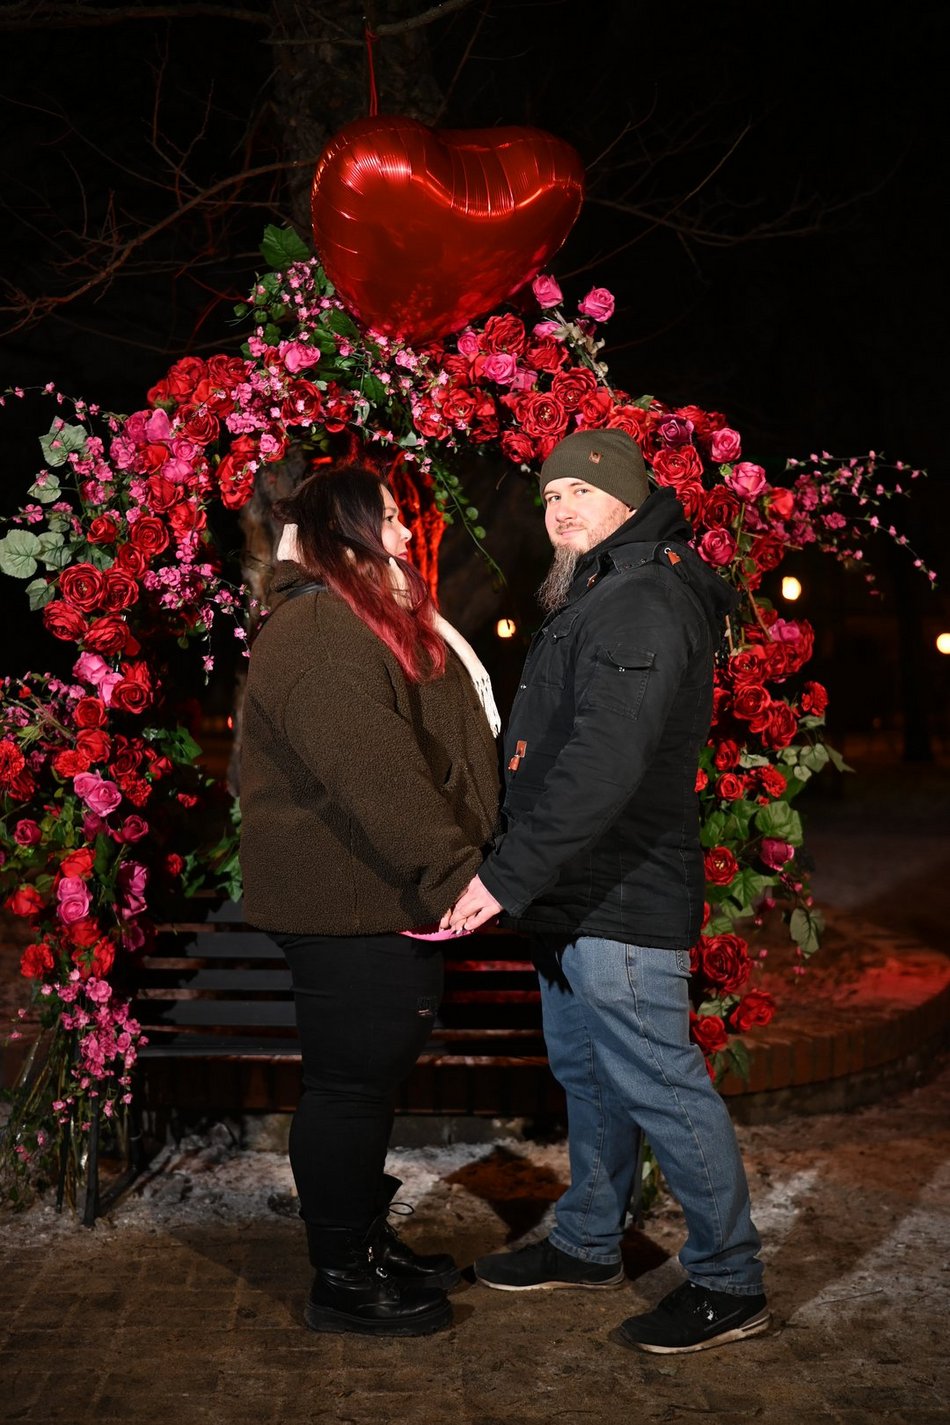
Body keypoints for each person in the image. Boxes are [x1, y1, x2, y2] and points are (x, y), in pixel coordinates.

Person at [444, 427, 770, 1354]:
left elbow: (600, 764)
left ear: (627, 497)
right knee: (589, 1076)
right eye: (549, 497)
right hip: (575, 895)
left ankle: (730, 1279)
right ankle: (590, 1241)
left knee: (663, 1083)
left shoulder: (640, 599)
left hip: (619, 895)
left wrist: (504, 877)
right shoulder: (603, 589)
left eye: (580, 492)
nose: (559, 511)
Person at [239, 462, 500, 1338]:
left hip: (378, 893)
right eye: (386, 520)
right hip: (347, 898)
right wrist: (452, 869)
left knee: (368, 1081)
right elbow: (375, 773)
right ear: (345, 533)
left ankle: (363, 1238)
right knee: (349, 1088)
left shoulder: (361, 616)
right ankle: (341, 1274)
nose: (402, 535)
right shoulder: (317, 628)